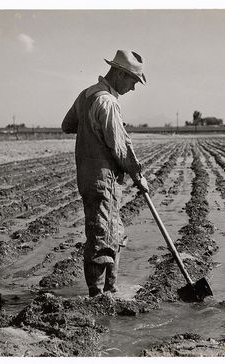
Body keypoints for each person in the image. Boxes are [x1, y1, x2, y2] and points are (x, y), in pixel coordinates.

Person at [62, 50, 149, 297]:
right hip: (104, 179)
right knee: (103, 234)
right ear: (120, 74)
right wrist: (138, 175)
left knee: (109, 229)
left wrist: (90, 131)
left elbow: (67, 125)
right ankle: (99, 297)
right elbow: (121, 148)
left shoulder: (86, 94)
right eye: (133, 82)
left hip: (87, 177)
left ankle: (110, 290)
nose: (132, 89)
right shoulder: (108, 103)